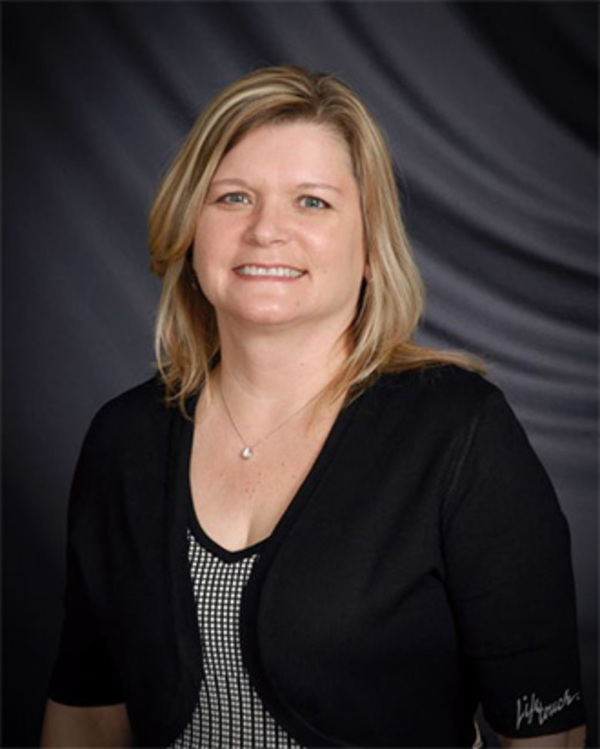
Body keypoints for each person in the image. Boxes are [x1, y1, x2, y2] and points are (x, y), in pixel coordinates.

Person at [41, 65, 586, 748]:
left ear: (368, 248)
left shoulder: (461, 432)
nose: (267, 230)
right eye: (234, 197)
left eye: (313, 202)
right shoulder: (122, 440)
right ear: (190, 228)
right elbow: (88, 716)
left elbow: (547, 738)